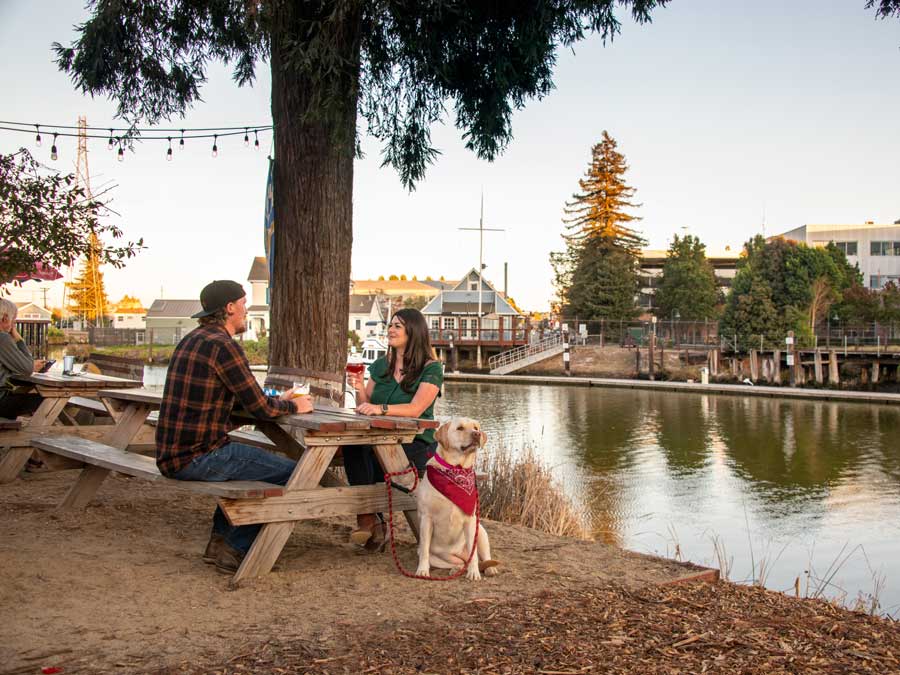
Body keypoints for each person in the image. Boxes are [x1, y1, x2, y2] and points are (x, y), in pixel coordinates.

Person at [155, 280, 313, 574]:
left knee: (251, 466)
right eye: (243, 304)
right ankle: (235, 547)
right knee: (297, 473)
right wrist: (296, 406)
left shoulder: (192, 340)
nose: (246, 310)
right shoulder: (225, 346)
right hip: (199, 456)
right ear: (229, 308)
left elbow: (239, 399)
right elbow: (260, 409)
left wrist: (279, 399)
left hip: (171, 453)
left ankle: (219, 542)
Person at [346, 307, 443, 550]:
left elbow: (416, 409)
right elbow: (364, 405)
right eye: (390, 325)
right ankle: (368, 519)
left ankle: (370, 521)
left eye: (397, 326)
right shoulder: (381, 365)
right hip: (378, 437)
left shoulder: (431, 368)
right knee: (352, 447)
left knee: (373, 459)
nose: (390, 330)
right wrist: (357, 388)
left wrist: (381, 409)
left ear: (413, 332)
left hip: (415, 441)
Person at [0, 298, 44, 420]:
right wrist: (19, 340)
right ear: (5, 318)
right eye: (13, 320)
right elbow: (28, 369)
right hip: (1, 402)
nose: (14, 324)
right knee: (47, 400)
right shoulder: (3, 338)